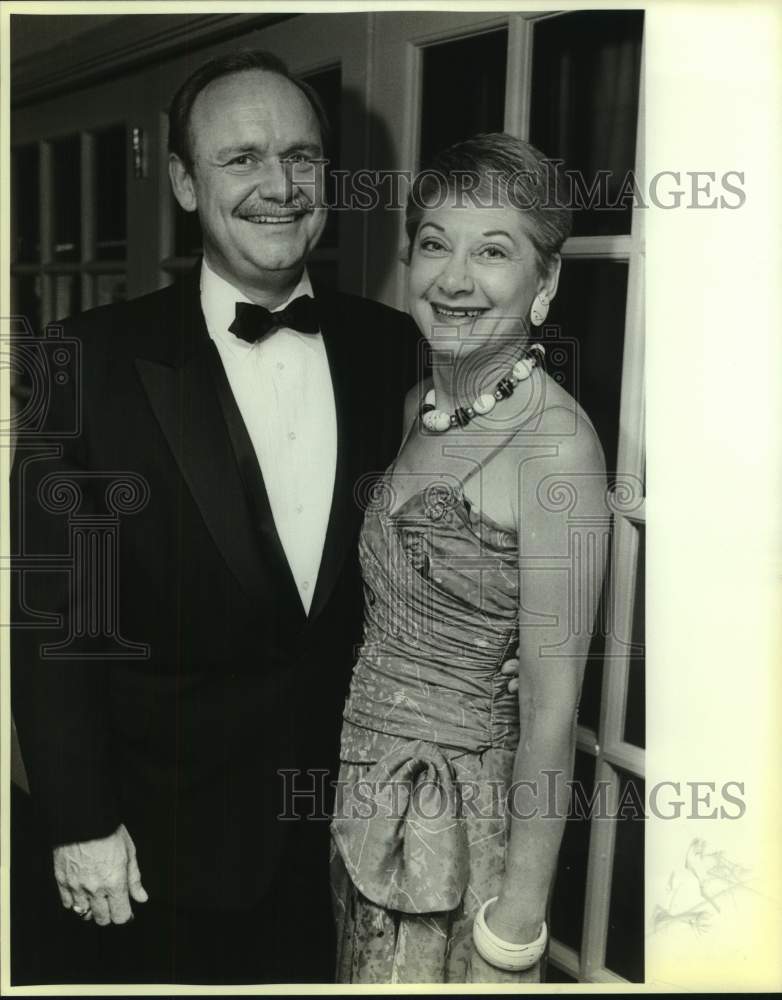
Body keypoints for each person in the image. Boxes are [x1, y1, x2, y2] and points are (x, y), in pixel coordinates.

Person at [10, 50, 426, 985]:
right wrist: (79, 821)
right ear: (187, 182)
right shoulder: (79, 361)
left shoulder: (391, 346)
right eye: (241, 159)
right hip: (156, 848)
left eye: (303, 157)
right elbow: (56, 625)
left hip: (353, 837)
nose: (279, 185)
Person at [329, 133, 609, 983]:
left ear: (545, 283)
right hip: (364, 807)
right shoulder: (420, 404)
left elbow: (552, 719)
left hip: (470, 840)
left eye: (494, 251)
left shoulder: (557, 447)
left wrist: (513, 934)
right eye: (434, 245)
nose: (454, 279)